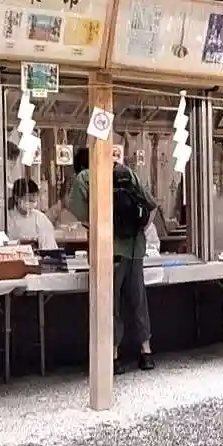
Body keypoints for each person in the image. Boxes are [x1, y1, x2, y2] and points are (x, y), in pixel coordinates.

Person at [67, 147, 156, 373]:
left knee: (110, 303)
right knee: (138, 301)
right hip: (135, 248)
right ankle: (146, 353)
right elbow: (151, 206)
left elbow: (81, 214)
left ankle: (113, 356)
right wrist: (136, 230)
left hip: (108, 250)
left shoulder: (84, 177)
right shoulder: (127, 172)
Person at [6, 177, 59, 249]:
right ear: (17, 198)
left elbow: (49, 246)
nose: (31, 203)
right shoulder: (8, 218)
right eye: (28, 199)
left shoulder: (40, 218)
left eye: (33, 201)